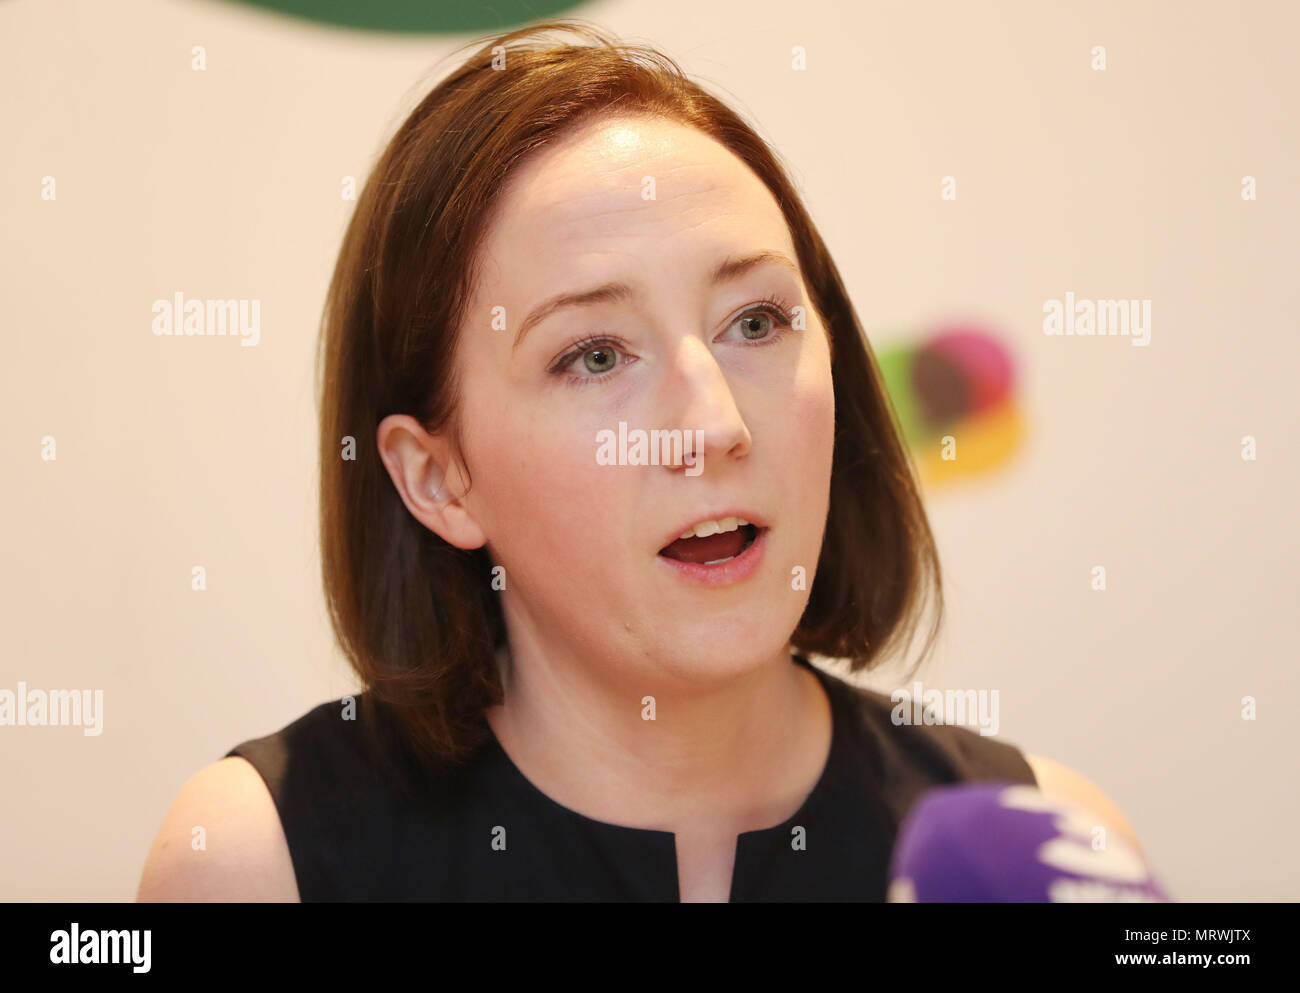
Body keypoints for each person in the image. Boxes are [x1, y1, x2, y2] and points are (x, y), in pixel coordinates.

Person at [136, 20, 1141, 903]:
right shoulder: (259, 861)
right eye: (594, 355)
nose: (712, 425)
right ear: (437, 477)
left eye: (755, 321)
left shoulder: (1049, 846)